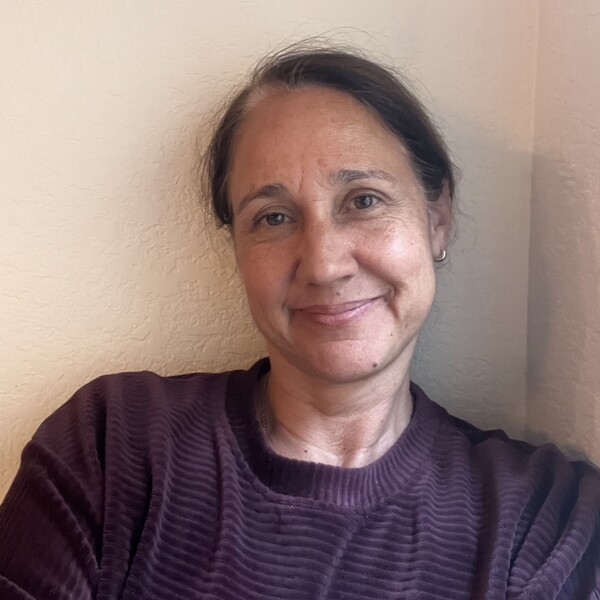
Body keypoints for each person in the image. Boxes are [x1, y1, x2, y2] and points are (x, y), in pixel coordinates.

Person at [0, 43, 599, 600]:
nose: (323, 265)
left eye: (363, 200)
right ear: (236, 248)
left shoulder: (544, 516)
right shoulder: (113, 447)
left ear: (436, 218)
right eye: (274, 217)